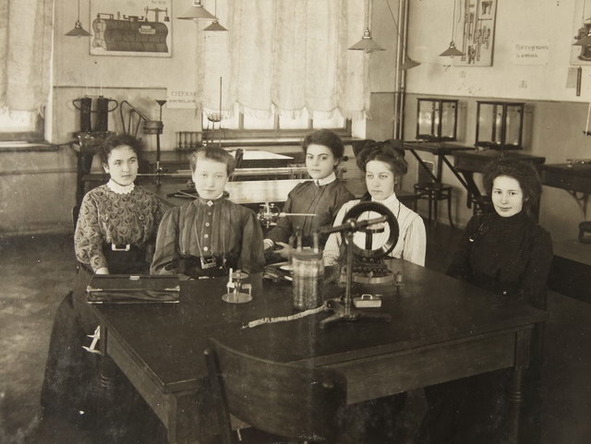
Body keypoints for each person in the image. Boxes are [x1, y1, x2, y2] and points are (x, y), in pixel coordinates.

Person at [418, 159, 553, 443]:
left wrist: (485, 309)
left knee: (485, 395)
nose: (503, 200)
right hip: (471, 320)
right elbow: (455, 271)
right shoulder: (478, 225)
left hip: (510, 327)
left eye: (512, 193)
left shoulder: (537, 238)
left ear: (526, 195)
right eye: (497, 192)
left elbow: (529, 293)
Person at [40, 133, 165, 440]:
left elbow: (158, 243)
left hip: (137, 270)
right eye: (118, 163)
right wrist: (105, 275)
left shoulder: (150, 200)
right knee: (100, 322)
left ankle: (139, 408)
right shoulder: (93, 199)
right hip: (99, 270)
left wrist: (151, 272)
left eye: (132, 161)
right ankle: (101, 406)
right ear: (106, 167)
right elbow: (87, 244)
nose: (126, 168)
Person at [151, 146, 265, 278]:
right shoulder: (175, 216)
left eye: (218, 176)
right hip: (185, 287)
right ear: (193, 176)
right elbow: (160, 269)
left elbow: (252, 269)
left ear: (227, 178)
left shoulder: (245, 217)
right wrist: (188, 282)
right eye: (204, 175)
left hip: (229, 287)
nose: (210, 183)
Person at [323, 139, 426, 268]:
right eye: (370, 176)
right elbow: (330, 253)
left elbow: (414, 272)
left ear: (396, 178)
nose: (375, 183)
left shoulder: (412, 222)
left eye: (383, 176)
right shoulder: (348, 209)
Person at [263, 129, 354, 262]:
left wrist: (297, 253)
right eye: (310, 157)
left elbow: (338, 248)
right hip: (288, 262)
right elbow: (282, 228)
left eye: (323, 158)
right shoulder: (298, 190)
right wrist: (267, 242)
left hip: (321, 265)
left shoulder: (343, 197)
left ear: (336, 160)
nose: (314, 163)